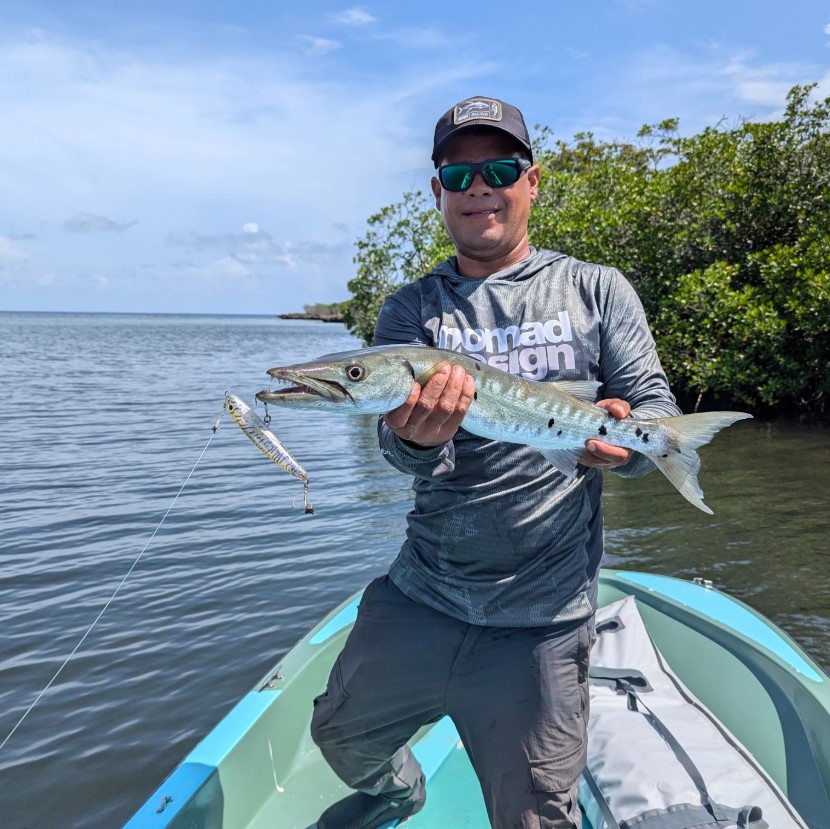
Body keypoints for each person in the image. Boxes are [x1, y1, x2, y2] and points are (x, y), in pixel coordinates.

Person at [310, 95, 681, 829]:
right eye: (459, 173)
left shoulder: (595, 289)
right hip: (424, 591)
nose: (479, 186)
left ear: (532, 181)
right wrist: (416, 439)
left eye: (500, 168)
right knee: (338, 732)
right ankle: (398, 791)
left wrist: (631, 448)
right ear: (438, 191)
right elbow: (399, 451)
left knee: (536, 816)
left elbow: (654, 409)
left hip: (544, 614)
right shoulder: (410, 311)